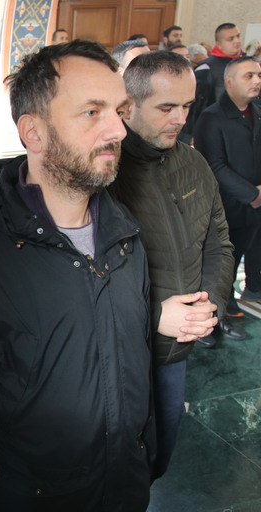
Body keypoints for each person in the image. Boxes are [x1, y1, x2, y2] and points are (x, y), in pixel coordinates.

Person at [0, 40, 154, 510]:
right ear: (34, 133)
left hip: (123, 489)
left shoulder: (125, 235)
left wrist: (144, 461)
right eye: (92, 112)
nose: (119, 130)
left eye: (120, 111)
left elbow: (132, 365)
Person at [110, 51, 234, 479]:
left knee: (160, 454)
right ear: (128, 105)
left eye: (187, 106)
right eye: (167, 108)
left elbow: (218, 241)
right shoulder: (105, 169)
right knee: (115, 468)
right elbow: (84, 273)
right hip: (118, 351)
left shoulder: (193, 162)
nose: (181, 119)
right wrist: (155, 314)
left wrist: (209, 305)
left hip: (175, 351)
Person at [194, 57, 261, 314]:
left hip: (255, 202)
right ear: (229, 82)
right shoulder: (212, 117)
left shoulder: (256, 110)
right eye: (249, 76)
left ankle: (244, 292)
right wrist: (251, 194)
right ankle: (221, 307)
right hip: (228, 204)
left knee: (247, 251)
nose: (256, 81)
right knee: (223, 261)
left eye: (258, 75)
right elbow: (213, 165)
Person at [183, 23, 245, 143]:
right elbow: (195, 107)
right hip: (214, 131)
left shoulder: (248, 64)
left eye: (238, 36)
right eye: (230, 39)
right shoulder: (206, 68)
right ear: (219, 44)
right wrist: (191, 136)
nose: (237, 41)